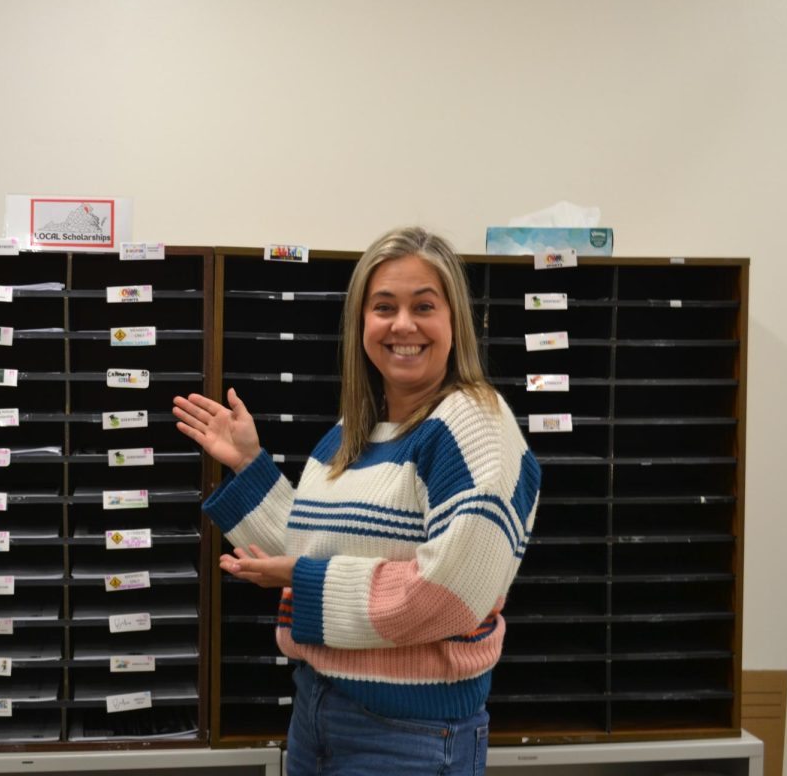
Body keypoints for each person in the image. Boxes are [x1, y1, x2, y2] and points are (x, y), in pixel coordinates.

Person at [173, 227, 540, 775]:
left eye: (424, 306)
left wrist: (305, 575)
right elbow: (308, 552)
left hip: (410, 736)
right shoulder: (355, 431)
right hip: (318, 710)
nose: (402, 325)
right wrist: (250, 467)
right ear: (361, 324)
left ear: (454, 321)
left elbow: (448, 596)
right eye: (383, 306)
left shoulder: (473, 425)